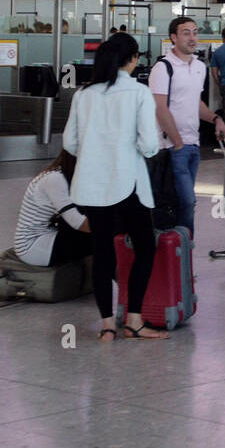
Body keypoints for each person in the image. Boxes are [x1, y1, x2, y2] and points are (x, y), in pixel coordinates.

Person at [62, 32, 166, 342]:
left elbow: (69, 142)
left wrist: (95, 155)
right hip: (128, 183)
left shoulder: (84, 94)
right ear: (132, 59)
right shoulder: (138, 93)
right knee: (145, 247)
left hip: (92, 184)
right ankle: (134, 318)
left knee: (103, 250)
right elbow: (149, 144)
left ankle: (107, 324)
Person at [150, 17, 225, 238]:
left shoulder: (199, 67)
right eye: (186, 33)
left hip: (193, 145)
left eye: (195, 32)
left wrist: (215, 119)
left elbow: (195, 103)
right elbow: (160, 108)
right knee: (185, 201)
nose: (193, 37)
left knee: (184, 202)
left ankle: (182, 254)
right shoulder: (163, 68)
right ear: (173, 37)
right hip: (171, 147)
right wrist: (177, 143)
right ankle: (182, 250)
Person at [14, 150, 92, 267]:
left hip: (48, 234)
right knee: (100, 240)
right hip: (31, 246)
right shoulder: (55, 179)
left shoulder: (64, 175)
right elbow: (78, 223)